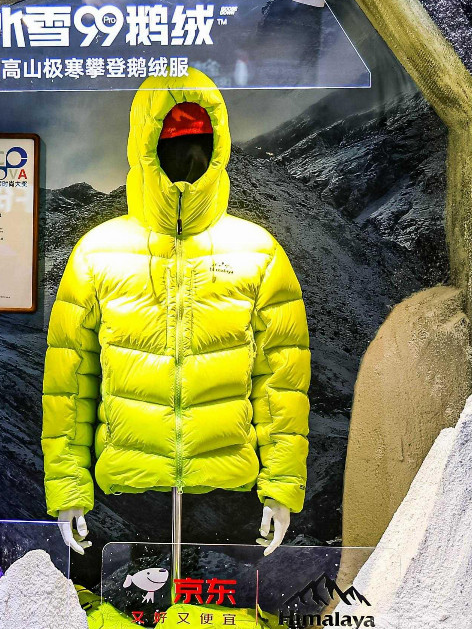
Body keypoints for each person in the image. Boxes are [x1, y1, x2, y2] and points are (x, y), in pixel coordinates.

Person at [41, 67, 310, 596]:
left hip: (230, 495)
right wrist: (68, 486)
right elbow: (69, 384)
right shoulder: (98, 253)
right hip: (129, 494)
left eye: (200, 142)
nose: (187, 158)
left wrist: (281, 484)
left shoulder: (258, 253)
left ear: (219, 147)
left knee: (213, 622)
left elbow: (282, 381)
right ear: (144, 149)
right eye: (170, 143)